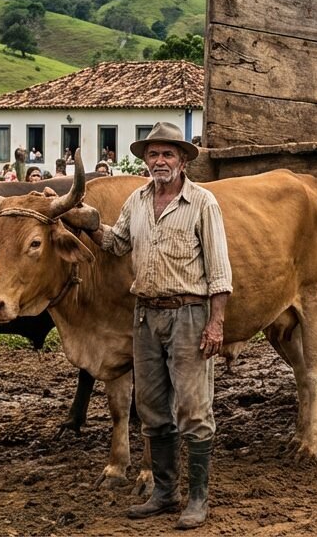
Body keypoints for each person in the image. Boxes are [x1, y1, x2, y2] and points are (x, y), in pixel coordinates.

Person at [90, 122, 231, 529]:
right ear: (145, 160)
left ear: (183, 159)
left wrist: (215, 324)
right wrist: (87, 222)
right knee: (151, 407)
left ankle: (198, 498)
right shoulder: (136, 201)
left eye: (168, 154)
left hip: (189, 314)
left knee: (192, 407)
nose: (160, 161)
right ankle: (165, 493)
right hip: (145, 315)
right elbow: (117, 243)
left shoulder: (202, 203)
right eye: (153, 154)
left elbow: (220, 273)